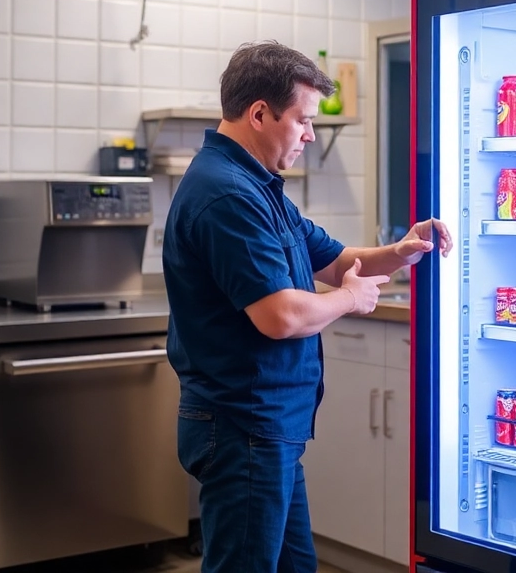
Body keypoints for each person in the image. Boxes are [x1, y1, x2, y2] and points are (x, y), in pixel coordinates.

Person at [162, 41, 450, 573]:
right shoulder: (227, 195)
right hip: (243, 427)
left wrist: (402, 251)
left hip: (269, 429)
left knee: (296, 566)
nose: (310, 134)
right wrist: (349, 300)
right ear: (259, 114)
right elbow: (280, 315)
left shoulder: (259, 186)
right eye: (302, 120)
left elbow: (337, 260)